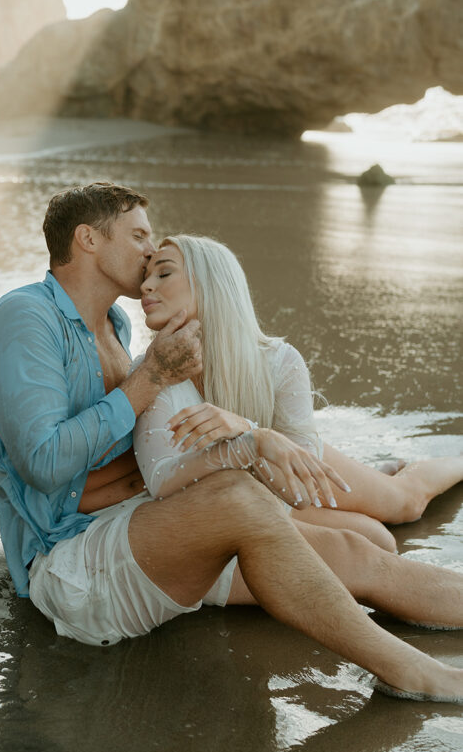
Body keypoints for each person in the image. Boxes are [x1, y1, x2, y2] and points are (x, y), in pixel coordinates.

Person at [0, 181, 463, 703]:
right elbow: (45, 464)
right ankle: (413, 672)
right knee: (237, 496)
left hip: (148, 527)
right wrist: (156, 380)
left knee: (357, 549)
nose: (147, 252)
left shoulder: (113, 326)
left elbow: (131, 453)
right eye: (138, 236)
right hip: (70, 564)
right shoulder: (25, 317)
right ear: (88, 239)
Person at [135, 234, 463, 549]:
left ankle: (454, 463)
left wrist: (247, 431)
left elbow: (302, 493)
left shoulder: (279, 362)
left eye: (164, 273)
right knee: (376, 538)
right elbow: (164, 481)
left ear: (211, 284)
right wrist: (250, 446)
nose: (146, 286)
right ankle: (371, 479)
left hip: (295, 465)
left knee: (406, 504)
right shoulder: (150, 372)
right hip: (256, 490)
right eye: (147, 276)